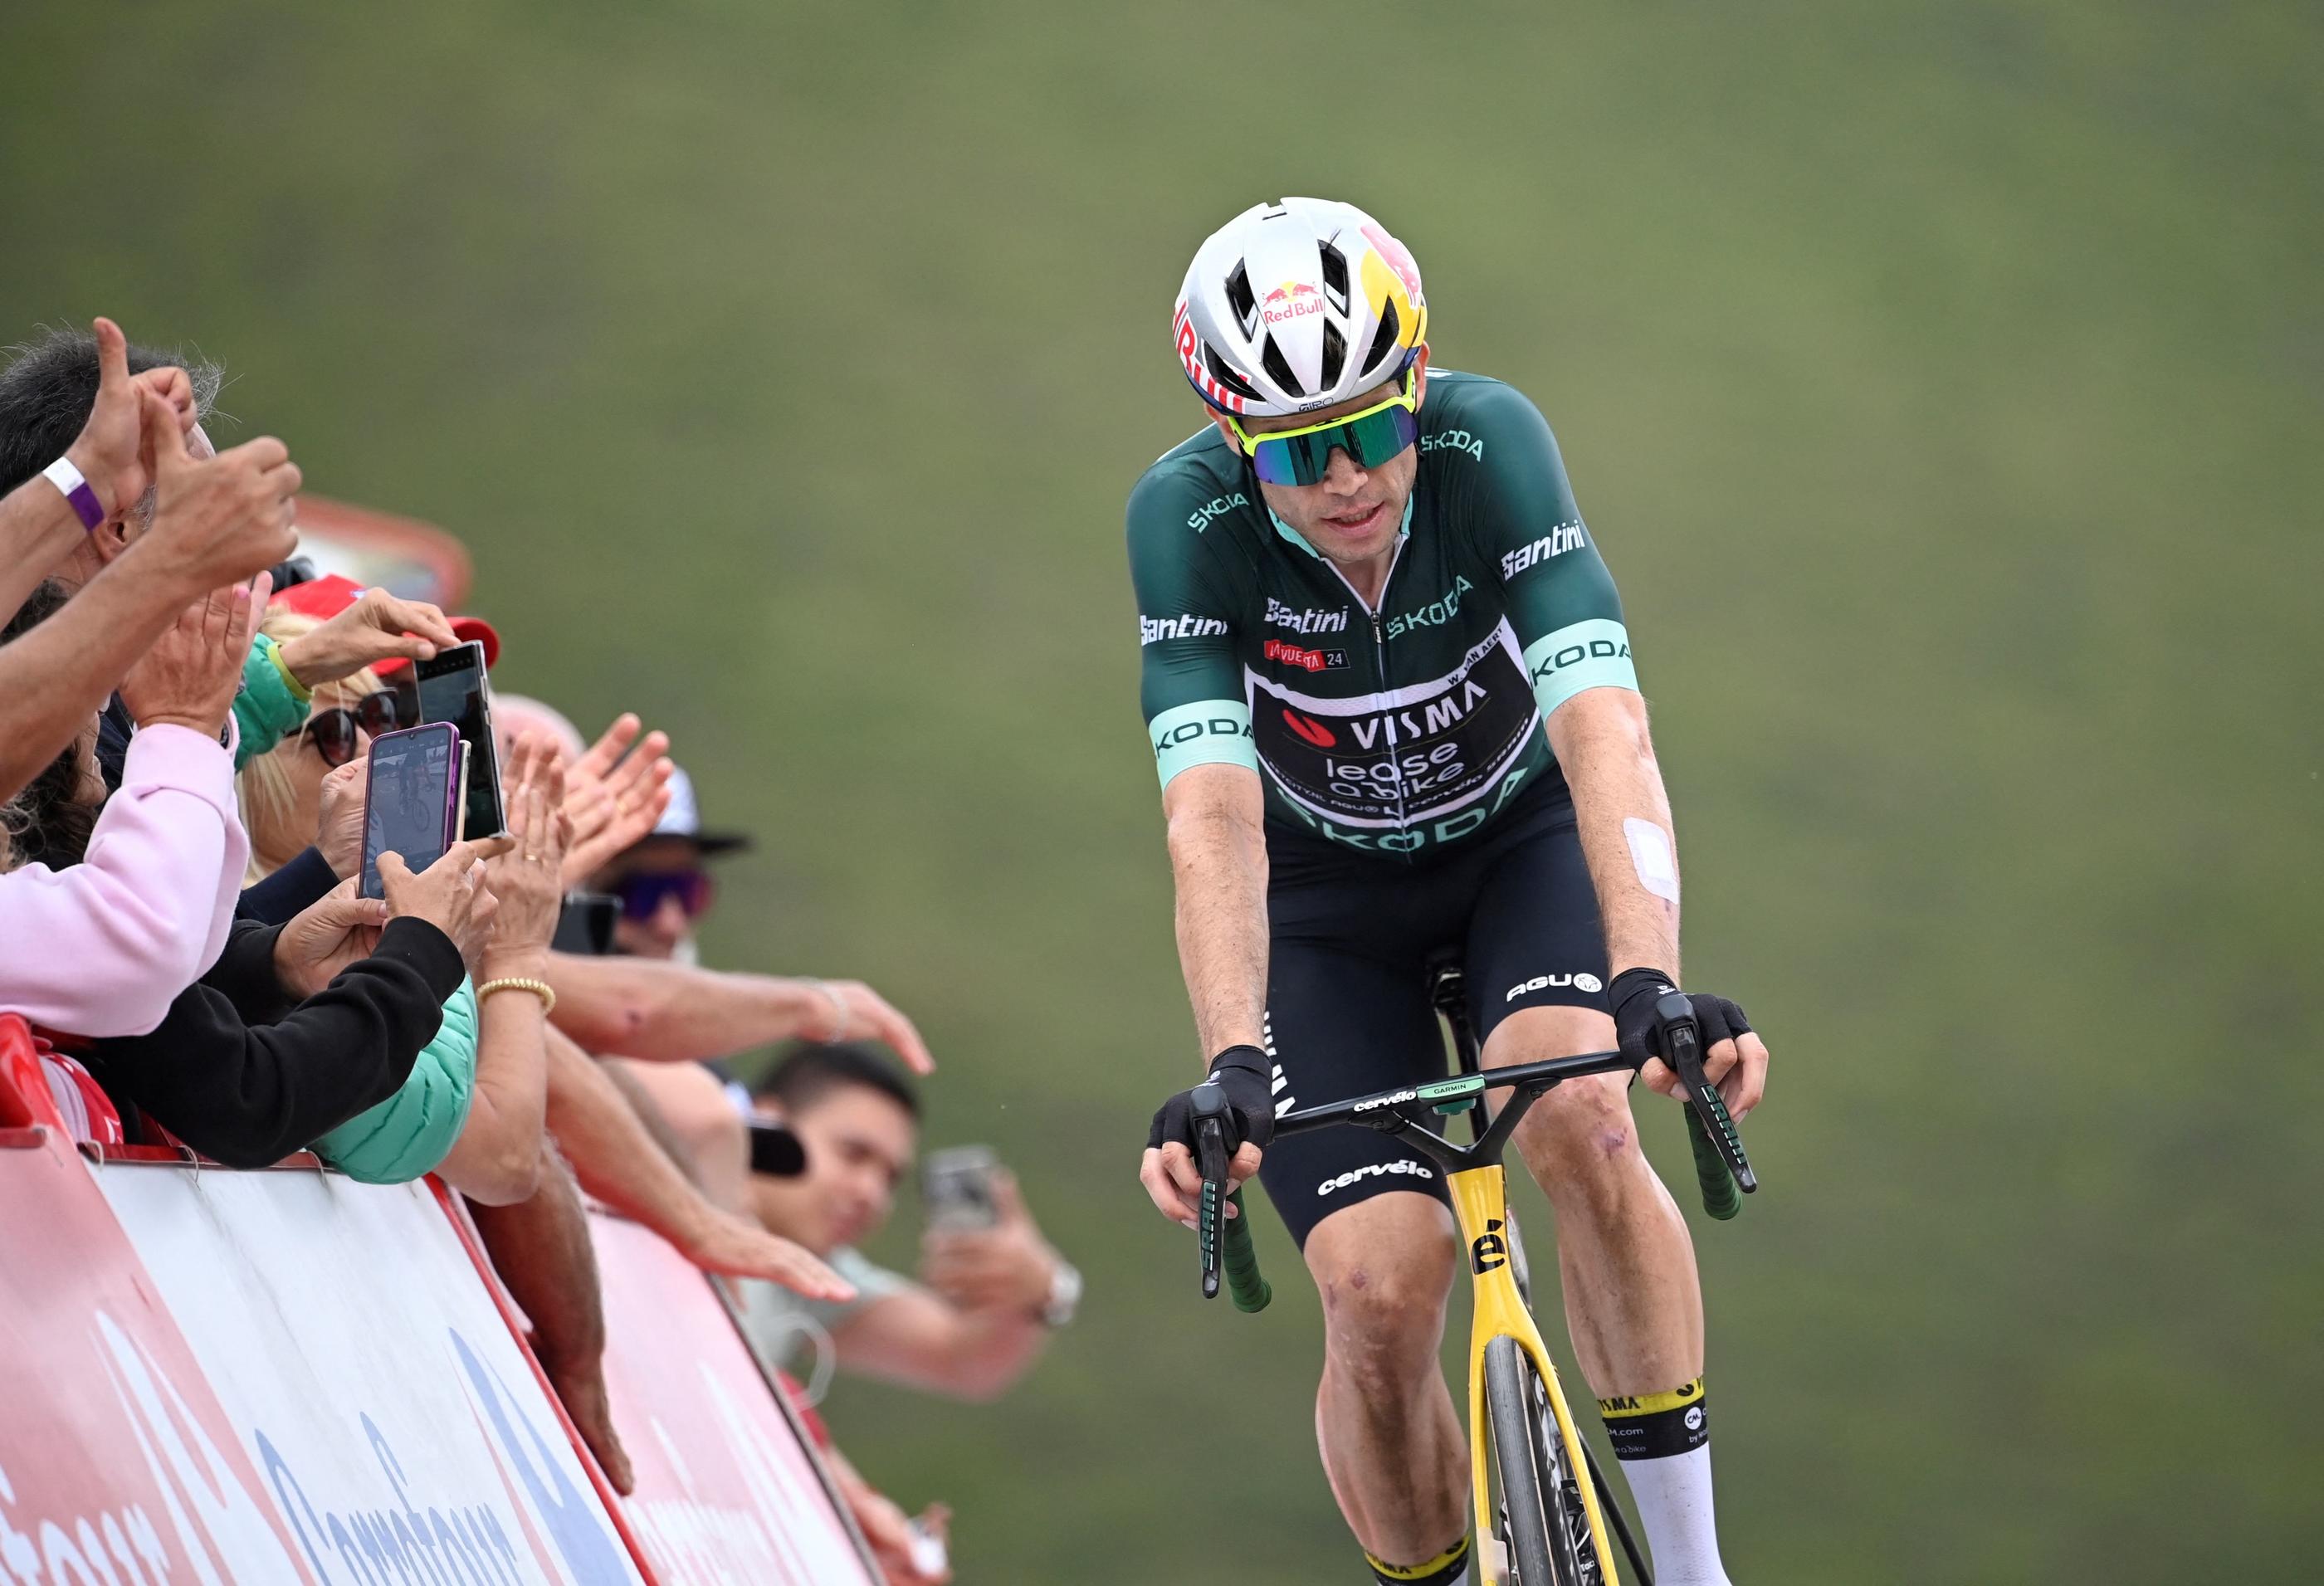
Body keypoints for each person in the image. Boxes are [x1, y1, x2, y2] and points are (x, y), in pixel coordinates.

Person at [1129, 199, 1773, 1586]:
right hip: (1319, 908)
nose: (1350, 476)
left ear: (1421, 391)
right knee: (1376, 1287)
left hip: (1511, 850)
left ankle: (1694, 1566)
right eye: (1300, 450)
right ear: (1238, 439)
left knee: (1582, 1111)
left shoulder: (1494, 450)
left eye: (1375, 424)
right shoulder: (1181, 523)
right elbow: (1212, 813)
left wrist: (1650, 978)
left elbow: (1607, 728)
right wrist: (1233, 1057)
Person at [738, 1043, 1077, 1398]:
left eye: (890, 1178)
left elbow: (959, 1358)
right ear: (766, 1119)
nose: (871, 1193)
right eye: (853, 1154)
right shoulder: (684, 1195)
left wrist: (1039, 1288)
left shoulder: (807, 1273)